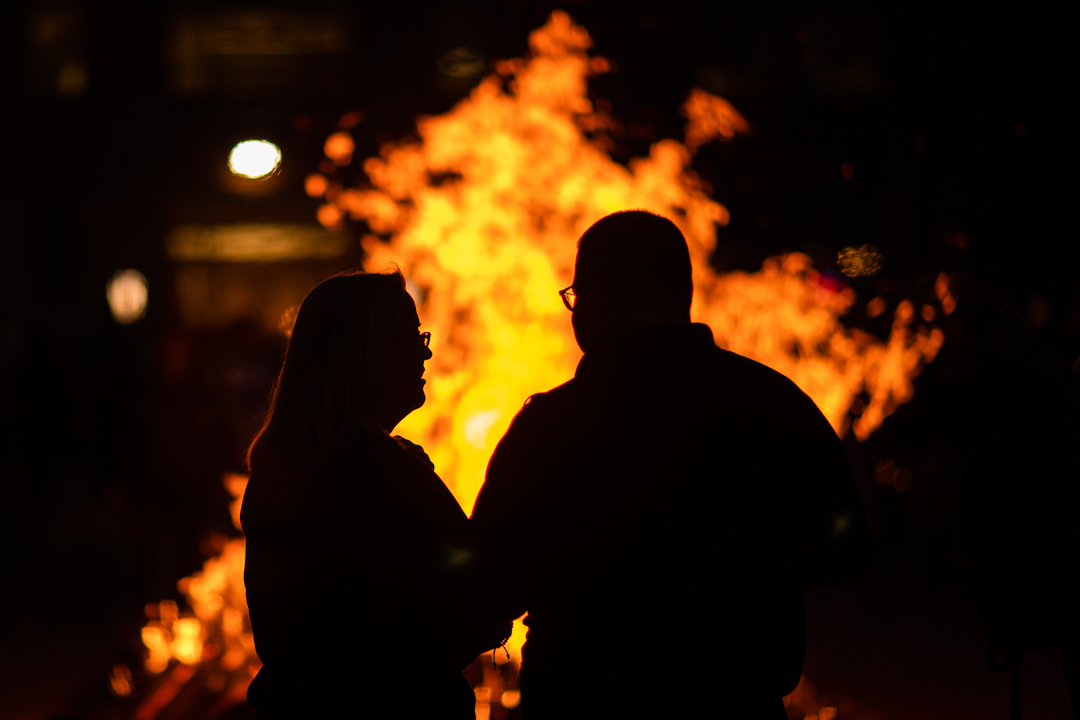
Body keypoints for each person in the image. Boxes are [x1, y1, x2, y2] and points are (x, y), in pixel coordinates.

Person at [471, 210, 874, 719]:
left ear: (605, 290)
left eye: (574, 296)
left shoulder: (552, 426)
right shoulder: (772, 403)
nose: (574, 312)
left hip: (582, 703)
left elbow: (488, 582)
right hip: (735, 704)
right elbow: (847, 554)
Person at [241, 270, 508, 719]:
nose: (426, 352)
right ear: (367, 355)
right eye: (413, 337)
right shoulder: (389, 475)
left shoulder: (280, 473)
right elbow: (475, 593)